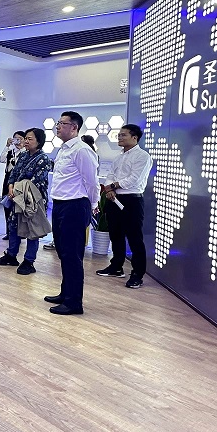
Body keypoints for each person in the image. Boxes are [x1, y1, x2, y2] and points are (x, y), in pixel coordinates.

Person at [45, 111, 99, 315]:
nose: (58, 127)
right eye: (58, 123)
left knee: (72, 254)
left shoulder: (82, 150)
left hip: (75, 206)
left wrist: (93, 204)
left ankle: (74, 302)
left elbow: (92, 181)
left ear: (74, 127)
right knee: (62, 251)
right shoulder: (64, 149)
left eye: (62, 123)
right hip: (60, 205)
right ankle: (66, 293)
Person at [96, 123, 153, 289]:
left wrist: (113, 186)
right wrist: (109, 189)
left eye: (123, 135)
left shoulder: (143, 156)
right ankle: (116, 266)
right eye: (119, 135)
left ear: (134, 138)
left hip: (132, 201)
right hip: (114, 199)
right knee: (116, 234)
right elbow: (110, 175)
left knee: (135, 238)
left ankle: (137, 274)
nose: (119, 137)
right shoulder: (119, 157)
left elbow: (134, 179)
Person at [0, 128, 51, 274]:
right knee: (13, 225)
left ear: (39, 141)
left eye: (30, 139)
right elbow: (13, 173)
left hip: (33, 199)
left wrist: (17, 189)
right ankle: (11, 255)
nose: (26, 141)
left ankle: (29, 261)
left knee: (32, 229)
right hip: (17, 197)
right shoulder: (24, 155)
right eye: (25, 138)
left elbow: (35, 181)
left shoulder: (43, 159)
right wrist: (10, 186)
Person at [1, 132, 25, 239]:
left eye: (20, 139)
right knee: (7, 205)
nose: (18, 141)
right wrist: (7, 146)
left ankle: (20, 232)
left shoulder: (25, 153)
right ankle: (9, 232)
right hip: (7, 181)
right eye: (15, 139)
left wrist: (22, 148)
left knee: (19, 207)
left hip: (19, 183)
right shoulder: (11, 152)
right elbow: (2, 159)